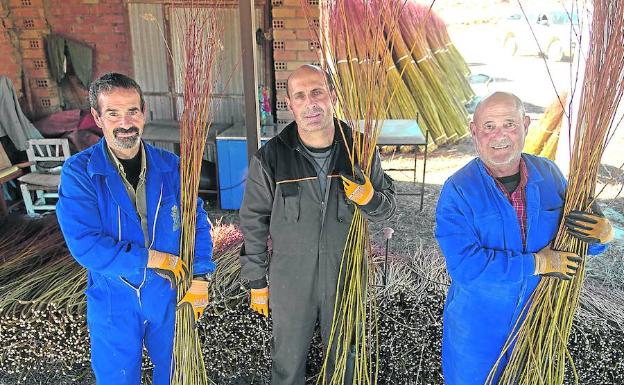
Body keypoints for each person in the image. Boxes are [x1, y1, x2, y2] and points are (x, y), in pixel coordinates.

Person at [435, 91, 614, 385]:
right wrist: (537, 263)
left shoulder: (550, 175)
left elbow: (581, 236)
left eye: (509, 123)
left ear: (526, 125)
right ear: (474, 131)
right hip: (478, 331)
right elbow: (467, 267)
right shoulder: (458, 190)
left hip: (537, 322)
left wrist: (604, 236)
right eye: (489, 126)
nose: (499, 135)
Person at [239, 64, 396, 385]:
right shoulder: (271, 157)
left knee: (346, 360)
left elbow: (387, 209)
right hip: (290, 277)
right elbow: (254, 220)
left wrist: (370, 199)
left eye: (317, 92)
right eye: (300, 96)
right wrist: (256, 278)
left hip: (346, 272)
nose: (310, 103)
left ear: (332, 96)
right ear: (290, 104)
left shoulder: (361, 149)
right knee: (288, 360)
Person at [56, 72, 215, 385]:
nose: (125, 122)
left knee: (177, 376)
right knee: (117, 378)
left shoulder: (173, 167)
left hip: (169, 293)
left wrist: (200, 275)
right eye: (113, 113)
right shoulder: (80, 173)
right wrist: (154, 258)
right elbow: (86, 245)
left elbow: (196, 223)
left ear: (144, 113)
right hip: (114, 296)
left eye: (132, 111)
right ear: (97, 118)